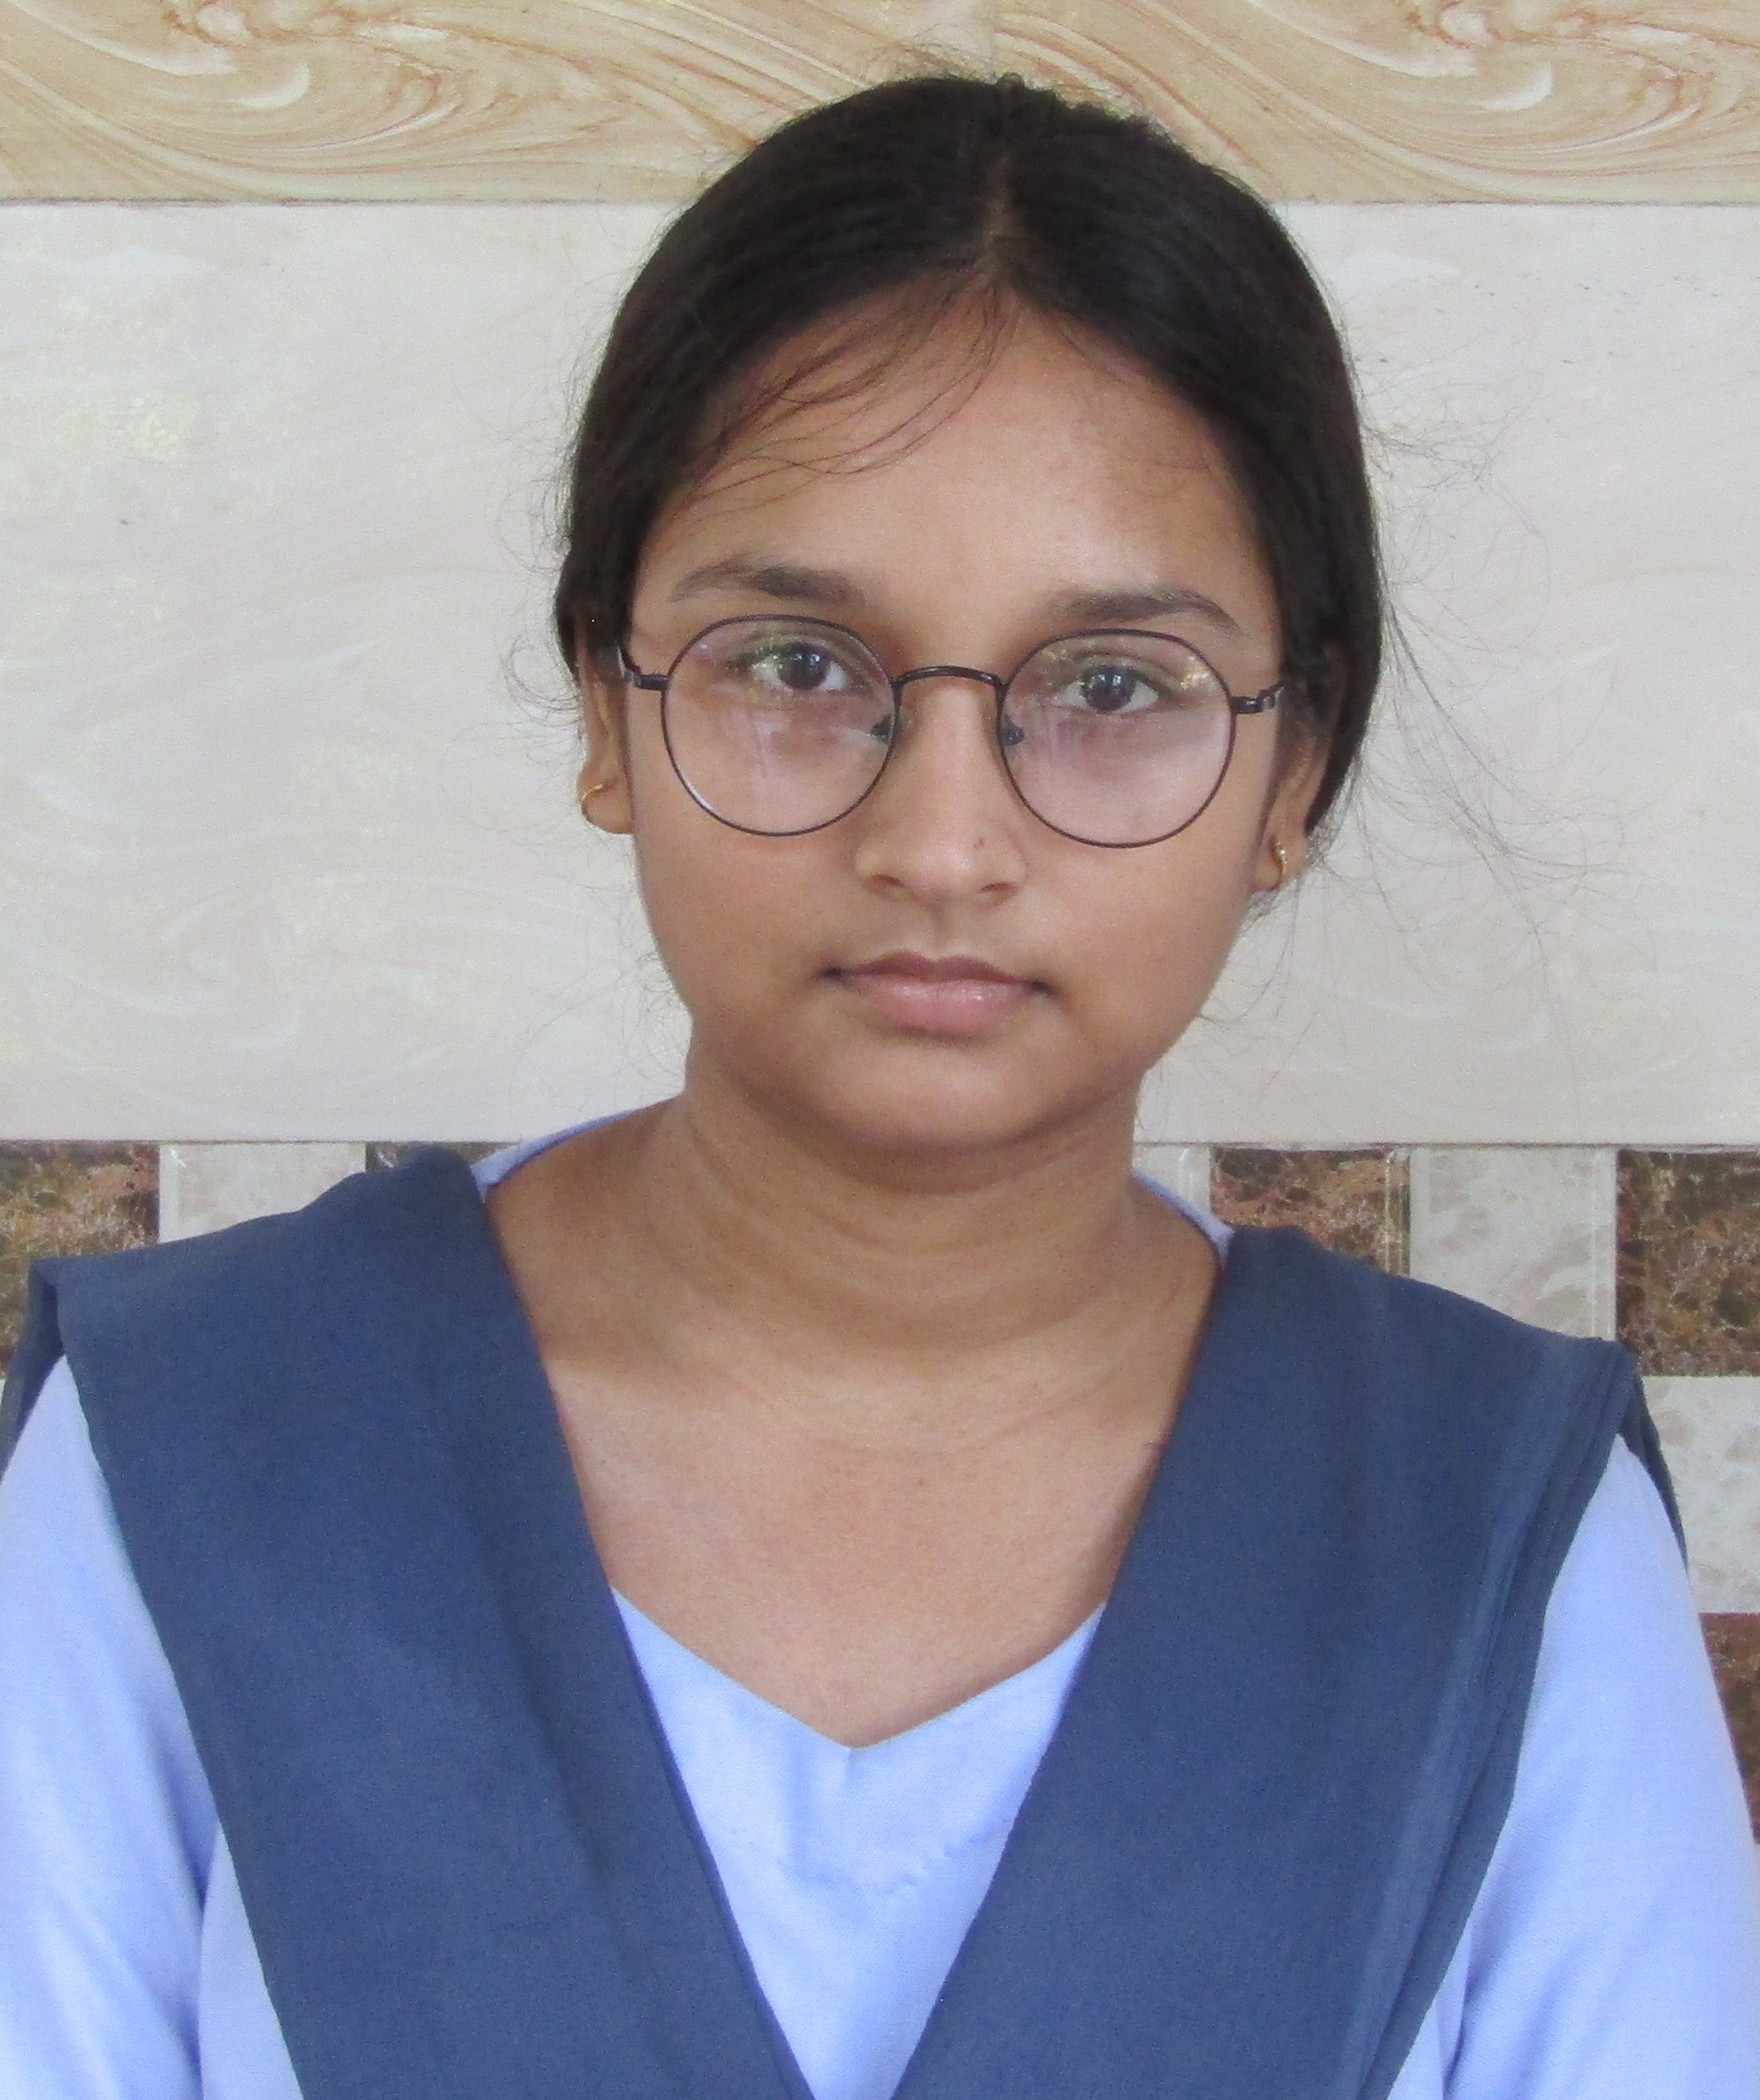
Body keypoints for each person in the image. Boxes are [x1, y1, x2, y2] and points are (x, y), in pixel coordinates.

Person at [0, 73, 1755, 2100]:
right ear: (603, 708)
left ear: (1291, 771)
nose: (939, 842)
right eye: (795, 666)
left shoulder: (1490, 1538)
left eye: (1111, 689)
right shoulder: (188, 1458)